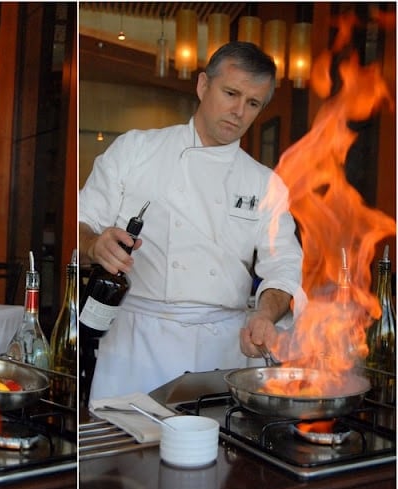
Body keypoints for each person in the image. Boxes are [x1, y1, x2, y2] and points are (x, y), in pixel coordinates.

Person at [79, 42, 306, 401]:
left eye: (253, 103)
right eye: (230, 93)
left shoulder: (265, 184)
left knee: (216, 453)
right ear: (203, 86)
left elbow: (284, 267)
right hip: (136, 343)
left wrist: (265, 313)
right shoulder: (135, 150)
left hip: (221, 351)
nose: (238, 112)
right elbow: (80, 223)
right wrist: (94, 243)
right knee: (119, 452)